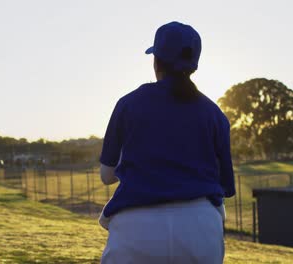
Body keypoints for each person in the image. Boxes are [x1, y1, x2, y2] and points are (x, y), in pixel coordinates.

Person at [99, 21, 235, 264]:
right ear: (194, 65)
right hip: (201, 229)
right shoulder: (214, 114)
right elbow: (224, 186)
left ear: (156, 61)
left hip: (136, 230)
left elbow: (107, 175)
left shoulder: (128, 104)